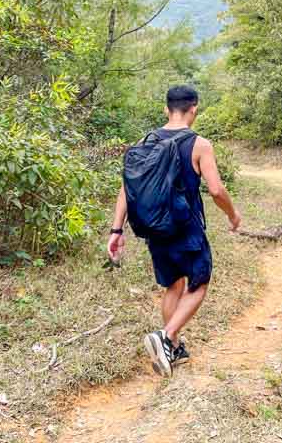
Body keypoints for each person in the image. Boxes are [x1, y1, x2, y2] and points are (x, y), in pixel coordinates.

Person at [107, 85, 242, 377]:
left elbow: (126, 188)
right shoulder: (199, 144)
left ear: (166, 109)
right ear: (194, 109)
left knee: (174, 285)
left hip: (155, 228)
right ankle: (166, 337)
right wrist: (232, 214)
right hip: (185, 227)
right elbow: (216, 189)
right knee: (199, 281)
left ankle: (175, 349)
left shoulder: (145, 140)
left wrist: (116, 229)